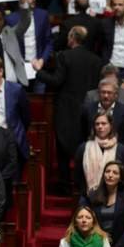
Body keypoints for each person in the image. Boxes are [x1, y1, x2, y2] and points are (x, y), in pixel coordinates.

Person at [33, 26, 102, 187]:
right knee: (86, 147)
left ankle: (64, 184)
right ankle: (84, 183)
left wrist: (39, 71)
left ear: (72, 38)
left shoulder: (64, 56)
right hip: (89, 109)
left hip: (66, 109)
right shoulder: (96, 60)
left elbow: (56, 81)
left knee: (63, 149)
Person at [80, 161, 124, 247]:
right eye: (107, 172)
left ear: (120, 178)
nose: (110, 175)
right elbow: (87, 222)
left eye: (115, 173)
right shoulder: (94, 194)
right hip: (97, 244)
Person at [75, 111, 124, 199]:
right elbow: (78, 177)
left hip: (114, 198)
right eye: (97, 124)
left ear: (111, 126)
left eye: (104, 123)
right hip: (88, 197)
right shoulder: (83, 148)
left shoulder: (121, 149)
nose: (100, 127)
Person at [80, 78, 124, 153]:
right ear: (98, 93)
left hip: (117, 156)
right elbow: (83, 133)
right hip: (92, 153)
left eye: (109, 93)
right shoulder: (88, 110)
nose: (106, 96)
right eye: (103, 92)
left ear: (116, 95)